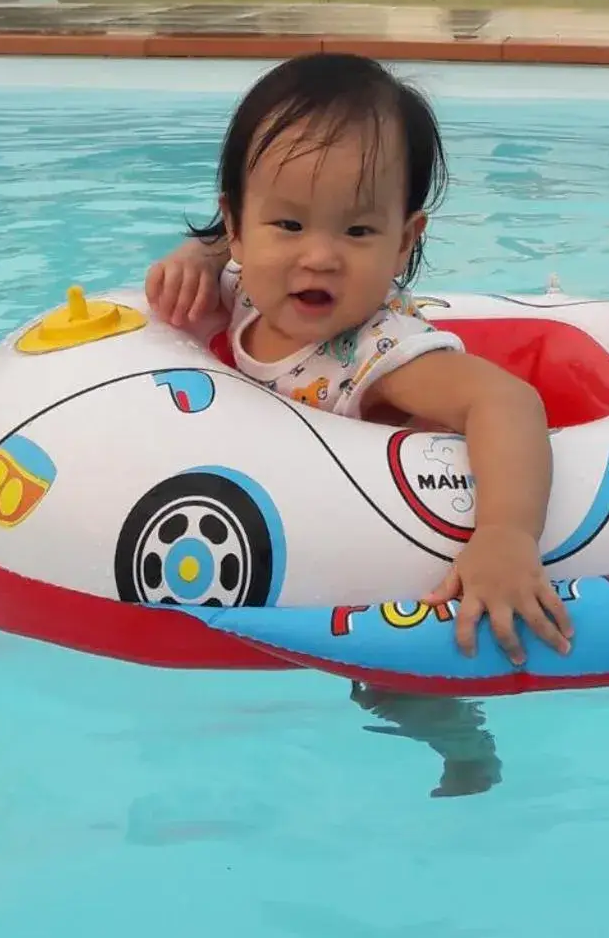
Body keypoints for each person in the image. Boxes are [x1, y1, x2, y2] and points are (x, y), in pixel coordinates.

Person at [145, 52, 573, 671]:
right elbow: (228, 249)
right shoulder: (245, 290)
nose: (319, 256)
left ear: (404, 241)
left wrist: (505, 537)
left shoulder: (378, 352)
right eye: (289, 223)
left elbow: (505, 400)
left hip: (383, 594)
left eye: (358, 232)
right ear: (236, 226)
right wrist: (197, 255)